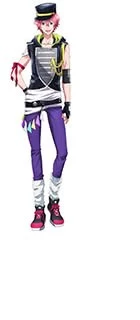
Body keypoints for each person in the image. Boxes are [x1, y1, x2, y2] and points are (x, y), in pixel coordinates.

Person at [10, 3, 71, 230]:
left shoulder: (63, 45)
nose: (47, 26)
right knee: (35, 151)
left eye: (50, 22)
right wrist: (27, 90)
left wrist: (68, 105)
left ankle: (53, 201)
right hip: (33, 105)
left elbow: (66, 76)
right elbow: (16, 70)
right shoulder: (31, 45)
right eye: (43, 23)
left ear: (55, 22)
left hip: (54, 102)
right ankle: (38, 207)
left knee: (62, 152)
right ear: (39, 24)